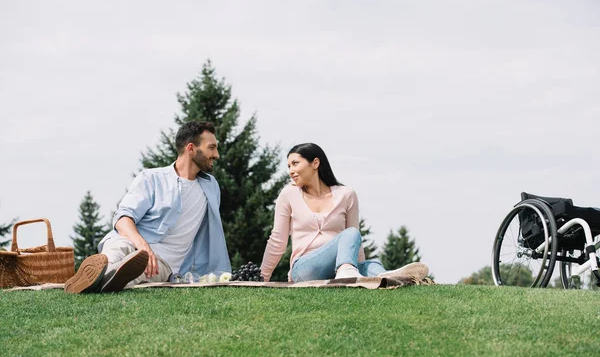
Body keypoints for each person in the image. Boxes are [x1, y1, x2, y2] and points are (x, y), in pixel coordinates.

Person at [65, 121, 231, 293]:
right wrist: (143, 247)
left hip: (163, 262)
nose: (217, 154)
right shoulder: (152, 179)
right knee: (116, 250)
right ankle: (102, 272)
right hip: (131, 240)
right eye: (211, 148)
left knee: (137, 270)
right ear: (191, 148)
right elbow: (122, 219)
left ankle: (97, 280)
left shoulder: (211, 187)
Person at [260, 143, 428, 282]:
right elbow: (277, 240)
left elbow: (355, 242)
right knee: (351, 234)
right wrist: (262, 276)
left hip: (338, 268)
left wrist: (360, 267)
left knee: (370, 263)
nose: (290, 170)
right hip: (304, 269)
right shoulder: (289, 194)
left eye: (295, 163)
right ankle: (352, 272)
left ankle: (383, 276)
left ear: (315, 163)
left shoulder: (346, 194)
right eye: (289, 166)